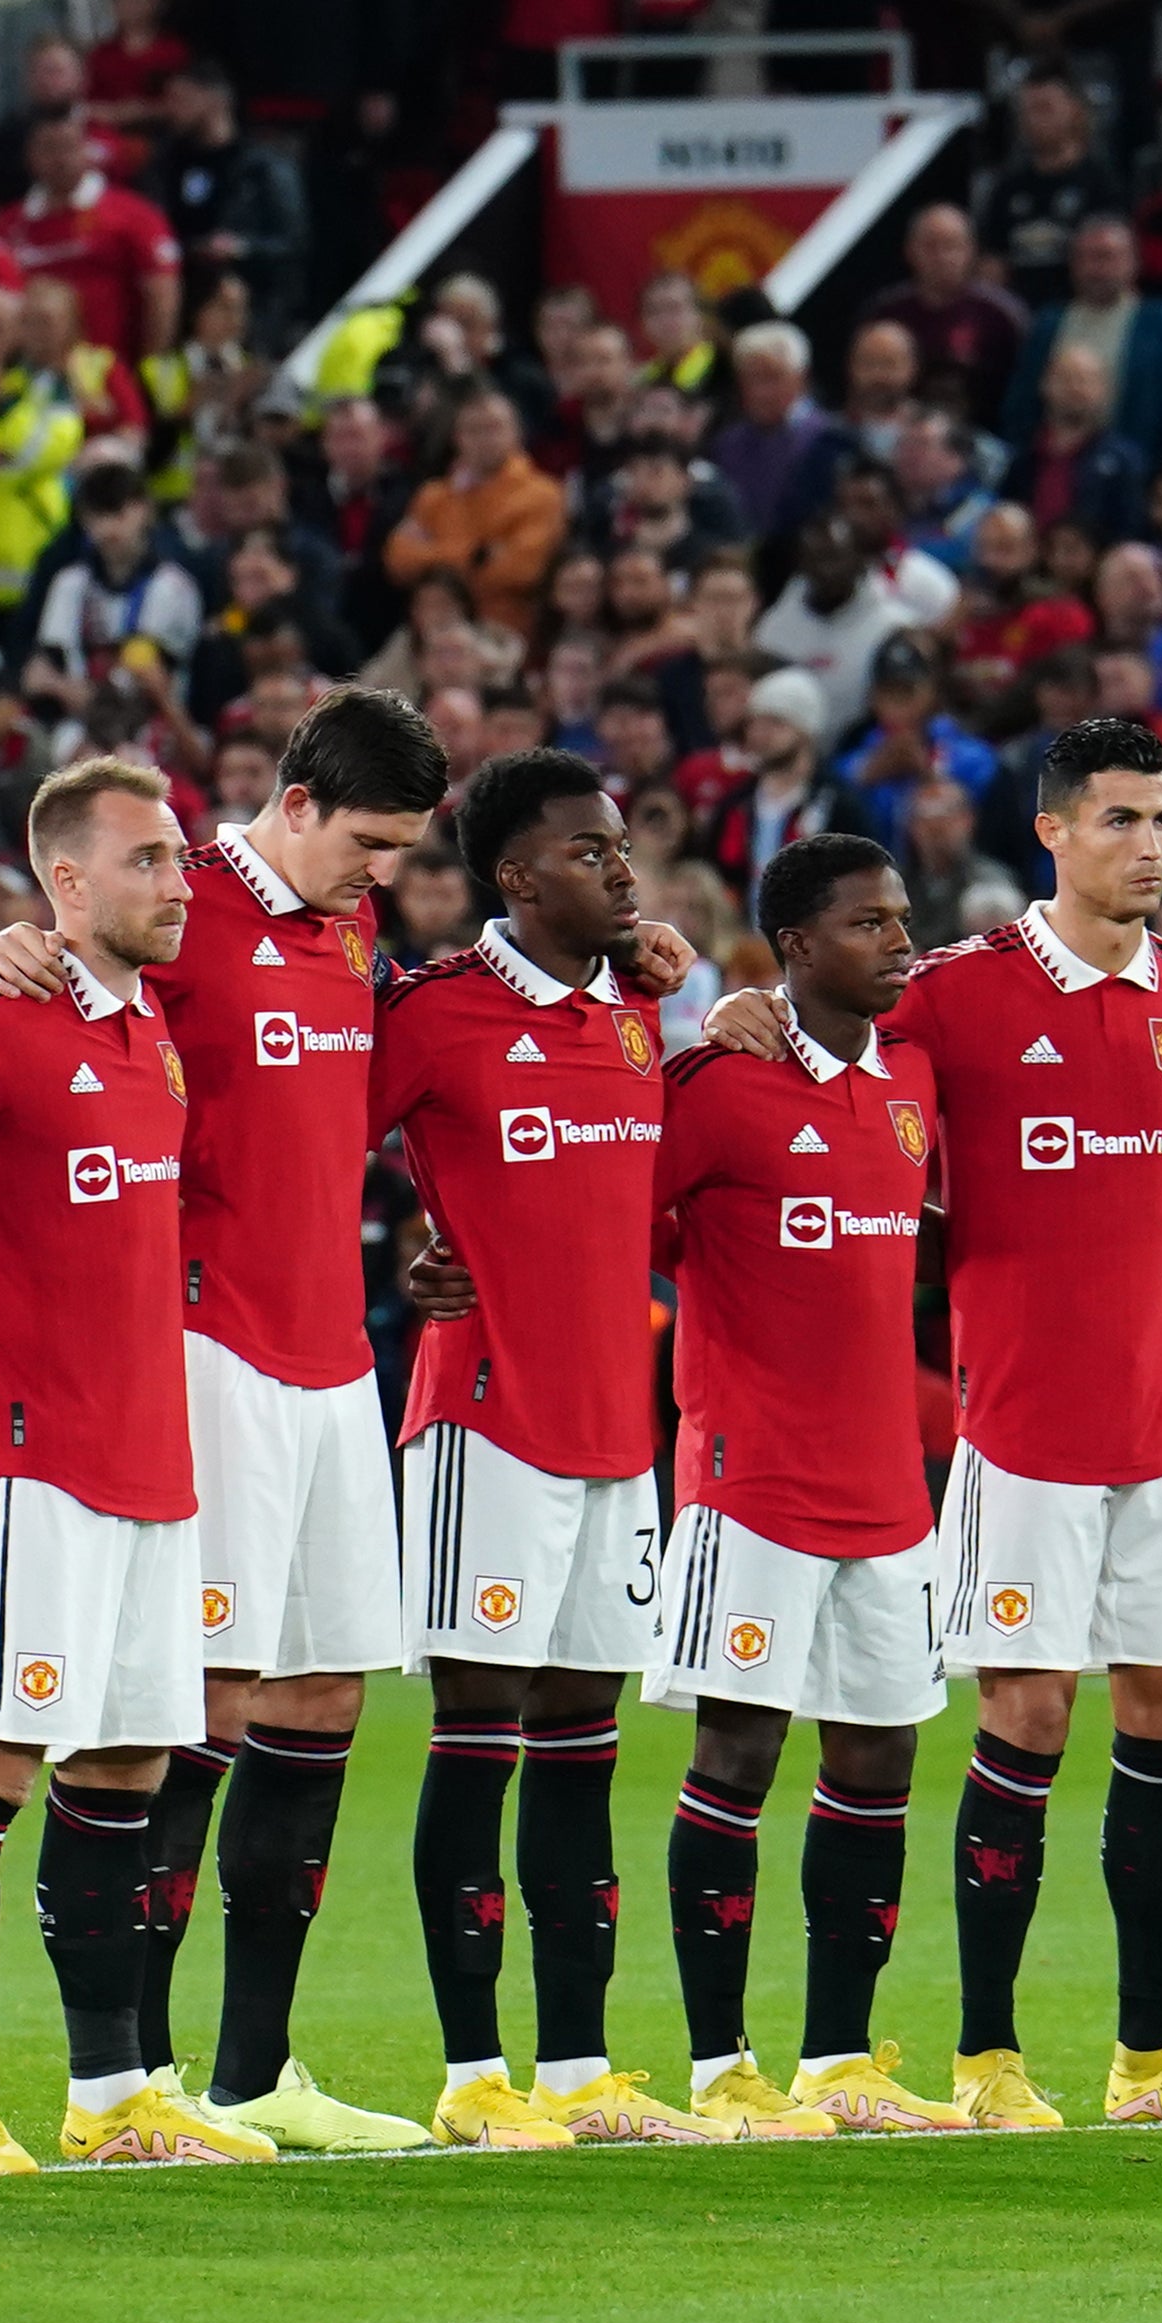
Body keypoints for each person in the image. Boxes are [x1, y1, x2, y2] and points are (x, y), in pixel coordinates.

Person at [708, 711, 1162, 2130]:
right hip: (1022, 1434)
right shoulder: (958, 992)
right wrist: (739, 1016)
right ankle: (986, 2056)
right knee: (1024, 1714)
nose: (1149, 845)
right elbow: (821, 1038)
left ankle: (1149, 2061)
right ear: (1048, 831)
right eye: (1117, 819)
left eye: (1161, 819)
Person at [0, 686, 459, 2151]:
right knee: (198, 1707)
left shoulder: (348, 927)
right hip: (203, 1348)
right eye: (367, 840)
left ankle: (253, 2074)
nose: (382, 873)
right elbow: (46, 1011)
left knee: (321, 1698)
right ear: (293, 803)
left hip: (330, 1351)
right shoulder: (173, 903)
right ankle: (133, 2075)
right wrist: (8, 950)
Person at [0, 754, 261, 2171]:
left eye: (179, 857)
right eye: (146, 860)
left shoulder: (151, 1028)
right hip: (25, 1465)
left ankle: (108, 2100)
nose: (176, 883)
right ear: (66, 882)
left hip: (152, 1459)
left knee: (127, 1766)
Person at [370, 747, 707, 2148]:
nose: (620, 872)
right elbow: (310, 1145)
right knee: (477, 1740)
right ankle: (469, 2075)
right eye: (588, 852)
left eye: (620, 849)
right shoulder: (436, 1013)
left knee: (581, 1747)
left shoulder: (640, 1014)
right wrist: (397, 1247)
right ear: (514, 877)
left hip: (611, 1438)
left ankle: (577, 2069)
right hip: (483, 1423)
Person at [633, 831, 976, 2134]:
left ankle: (839, 2062)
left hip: (887, 1484)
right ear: (792, 946)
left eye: (900, 918)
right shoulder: (716, 1084)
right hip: (747, 1477)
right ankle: (721, 2068)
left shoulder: (916, 1085)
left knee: (878, 1756)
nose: (896, 940)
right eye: (864, 923)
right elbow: (619, 1218)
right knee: (738, 1747)